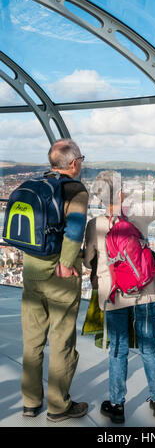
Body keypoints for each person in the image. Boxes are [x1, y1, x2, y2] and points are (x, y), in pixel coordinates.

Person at [83, 170, 155, 424]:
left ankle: (117, 405)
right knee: (149, 346)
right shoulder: (138, 214)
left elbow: (88, 261)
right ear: (121, 193)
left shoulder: (95, 225)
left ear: (100, 199)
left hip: (114, 295)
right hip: (146, 293)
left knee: (119, 349)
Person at [21, 139, 89, 423]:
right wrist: (64, 263)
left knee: (32, 342)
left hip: (32, 271)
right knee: (61, 342)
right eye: (81, 158)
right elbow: (74, 229)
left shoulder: (36, 183)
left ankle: (30, 402)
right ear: (73, 163)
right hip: (61, 276)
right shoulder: (76, 189)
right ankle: (58, 407)